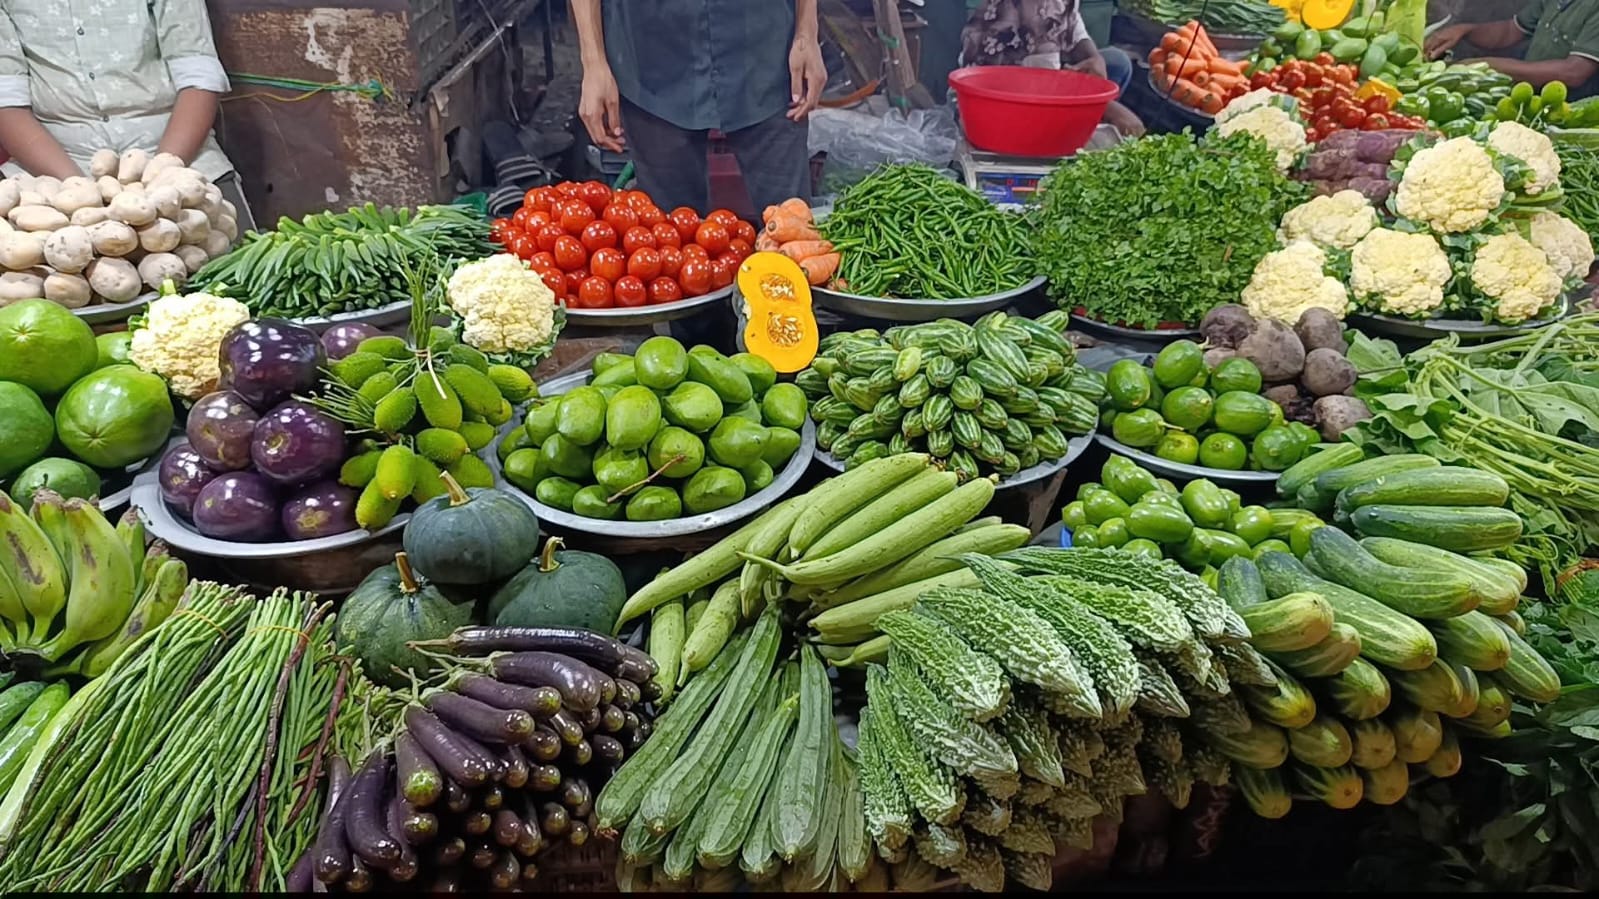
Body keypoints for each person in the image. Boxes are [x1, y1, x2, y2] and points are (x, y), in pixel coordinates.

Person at [571, 0, 826, 216]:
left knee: (794, 230)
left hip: (767, 52)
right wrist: (593, 63)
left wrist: (807, 32)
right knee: (670, 243)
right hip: (650, 60)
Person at [0, 0, 235, 184]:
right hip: (51, 166)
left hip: (178, 156)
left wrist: (162, 174)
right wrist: (78, 190)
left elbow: (198, 77)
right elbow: (6, 100)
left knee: (223, 235)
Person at [961, 0, 1145, 136]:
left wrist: (1093, 57)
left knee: (1116, 62)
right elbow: (1035, 83)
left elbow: (1070, 19)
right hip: (992, 103)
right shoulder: (1030, 8)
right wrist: (1106, 107)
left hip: (1031, 73)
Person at [1425, 3, 1599, 92]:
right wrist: (1465, 30)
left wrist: (1488, 65)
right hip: (1529, 98)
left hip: (1571, 112)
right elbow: (1510, 31)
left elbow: (1573, 72)